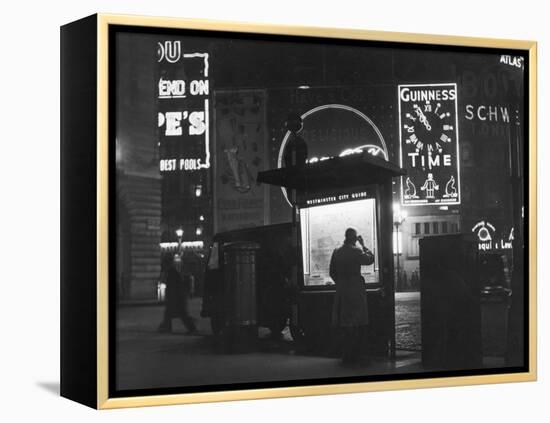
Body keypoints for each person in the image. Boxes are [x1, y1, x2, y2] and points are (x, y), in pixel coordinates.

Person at [329, 228, 375, 366]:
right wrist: (363, 244)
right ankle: (357, 355)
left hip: (342, 291)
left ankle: (346, 355)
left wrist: (341, 283)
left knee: (345, 324)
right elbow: (370, 259)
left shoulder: (337, 251)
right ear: (354, 238)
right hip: (356, 290)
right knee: (358, 324)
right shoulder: (356, 251)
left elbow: (332, 272)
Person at [158, 253, 197, 334]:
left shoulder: (171, 272)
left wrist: (170, 297)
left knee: (180, 313)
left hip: (177, 297)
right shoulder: (172, 271)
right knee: (173, 313)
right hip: (178, 296)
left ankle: (191, 328)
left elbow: (172, 286)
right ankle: (167, 326)